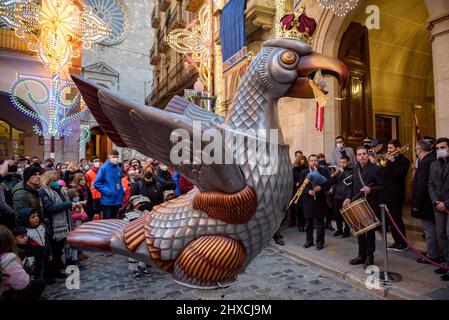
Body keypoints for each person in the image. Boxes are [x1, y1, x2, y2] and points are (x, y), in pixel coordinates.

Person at [344, 146, 384, 269]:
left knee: (370, 232)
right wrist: (348, 198)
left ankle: (369, 256)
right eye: (359, 154)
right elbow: (351, 186)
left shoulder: (376, 169)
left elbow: (383, 186)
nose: (362, 156)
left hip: (370, 203)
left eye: (364, 154)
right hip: (357, 203)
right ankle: (361, 255)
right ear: (356, 157)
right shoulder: (355, 169)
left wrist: (371, 189)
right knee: (359, 231)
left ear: (368, 155)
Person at [38, 171, 78, 281]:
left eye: (57, 179)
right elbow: (51, 208)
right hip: (52, 226)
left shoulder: (59, 190)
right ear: (48, 181)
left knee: (58, 250)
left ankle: (56, 271)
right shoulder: (43, 192)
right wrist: (68, 204)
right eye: (54, 180)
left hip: (63, 224)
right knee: (52, 251)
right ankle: (49, 274)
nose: (56, 182)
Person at [0, 225, 46, 300]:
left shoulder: (27, 247)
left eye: (26, 236)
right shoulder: (8, 259)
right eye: (22, 237)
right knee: (41, 283)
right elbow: (23, 283)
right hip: (9, 294)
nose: (26, 238)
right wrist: (26, 270)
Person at [381, 139, 410, 252]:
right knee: (390, 220)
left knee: (397, 219)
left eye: (391, 148)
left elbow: (399, 175)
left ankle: (403, 243)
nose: (388, 151)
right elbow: (383, 175)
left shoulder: (404, 161)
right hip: (386, 194)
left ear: (398, 149)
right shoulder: (387, 161)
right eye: (388, 148)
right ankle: (396, 241)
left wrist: (393, 161)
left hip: (397, 195)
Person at [412, 140, 439, 264]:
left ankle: (432, 255)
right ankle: (433, 251)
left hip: (425, 202)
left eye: (416, 150)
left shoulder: (425, 162)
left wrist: (416, 204)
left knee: (428, 229)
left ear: (420, 150)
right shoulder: (433, 159)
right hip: (431, 200)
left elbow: (421, 185)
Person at [428, 137, 449, 281]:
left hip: (447, 205)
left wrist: (446, 204)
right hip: (438, 206)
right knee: (441, 235)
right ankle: (446, 262)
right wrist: (436, 202)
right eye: (437, 148)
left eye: (442, 147)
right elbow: (430, 184)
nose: (439, 150)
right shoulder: (434, 164)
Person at [300, 154, 331, 250]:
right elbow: (301, 186)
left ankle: (319, 242)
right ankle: (309, 241)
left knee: (320, 223)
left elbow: (329, 183)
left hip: (320, 201)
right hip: (308, 201)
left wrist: (321, 187)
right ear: (309, 162)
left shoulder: (324, 171)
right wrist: (308, 191)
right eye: (312, 161)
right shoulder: (304, 172)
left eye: (315, 161)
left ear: (318, 162)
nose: (314, 162)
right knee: (308, 223)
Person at [17, 208, 52, 281]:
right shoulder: (25, 232)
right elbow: (26, 247)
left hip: (43, 254)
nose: (36, 218)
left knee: (43, 269)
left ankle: (44, 280)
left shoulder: (41, 227)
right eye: (33, 217)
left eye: (37, 216)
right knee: (36, 273)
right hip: (33, 258)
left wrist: (49, 253)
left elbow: (46, 241)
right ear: (25, 219)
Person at [121, 195, 152, 279]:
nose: (143, 205)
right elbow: (123, 226)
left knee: (145, 253)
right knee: (133, 255)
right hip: (133, 238)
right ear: (134, 204)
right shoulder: (129, 215)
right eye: (140, 203)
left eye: (144, 203)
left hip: (144, 237)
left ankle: (142, 267)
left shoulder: (147, 212)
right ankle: (135, 270)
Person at [94, 149, 125, 220]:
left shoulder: (118, 168)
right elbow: (97, 183)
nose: (115, 159)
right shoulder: (103, 168)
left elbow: (119, 182)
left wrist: (122, 192)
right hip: (107, 201)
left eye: (117, 157)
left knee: (115, 222)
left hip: (117, 201)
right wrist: (108, 192)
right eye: (114, 157)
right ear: (109, 156)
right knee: (107, 223)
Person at [330, 155, 352, 237]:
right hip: (337, 196)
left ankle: (346, 231)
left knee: (346, 215)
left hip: (345, 196)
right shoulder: (338, 171)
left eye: (344, 162)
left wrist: (343, 173)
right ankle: (339, 230)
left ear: (348, 162)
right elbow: (334, 182)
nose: (342, 164)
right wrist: (334, 175)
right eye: (341, 162)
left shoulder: (351, 171)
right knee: (337, 214)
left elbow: (350, 181)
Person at [66, 188, 88, 269]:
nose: (77, 197)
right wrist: (79, 216)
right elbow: (71, 217)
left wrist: (82, 216)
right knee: (70, 246)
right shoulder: (71, 207)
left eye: (78, 196)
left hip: (79, 228)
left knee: (76, 245)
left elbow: (85, 215)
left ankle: (75, 259)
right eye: (75, 196)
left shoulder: (80, 206)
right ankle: (70, 260)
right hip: (72, 228)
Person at [291, 153, 307, 231]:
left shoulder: (305, 168)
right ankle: (300, 224)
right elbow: (291, 179)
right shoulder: (294, 168)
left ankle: (304, 224)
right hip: (297, 190)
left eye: (302, 158)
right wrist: (296, 183)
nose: (301, 159)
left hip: (305, 190)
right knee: (299, 208)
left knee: (304, 208)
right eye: (299, 157)